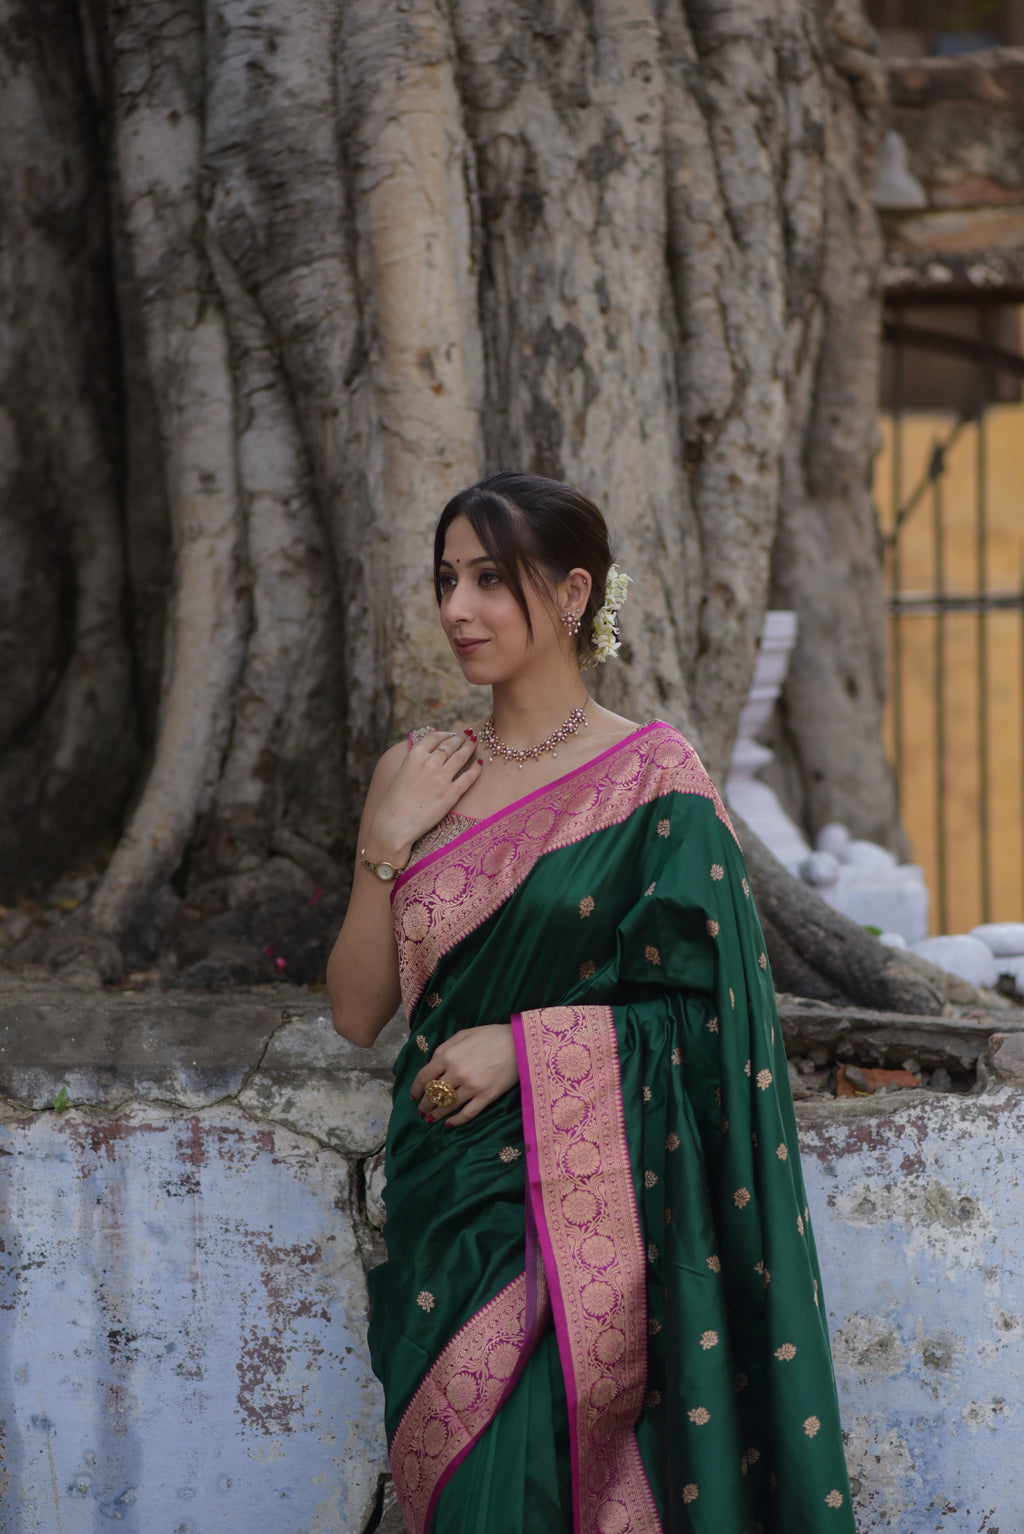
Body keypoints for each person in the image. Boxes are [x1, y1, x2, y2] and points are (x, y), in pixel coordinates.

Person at [327, 471, 855, 1534]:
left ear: (571, 595)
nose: (456, 609)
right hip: (450, 1205)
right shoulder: (420, 772)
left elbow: (716, 1018)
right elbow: (354, 1011)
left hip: (599, 1206)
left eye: (488, 579)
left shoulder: (653, 779)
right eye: (445, 580)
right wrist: (381, 846)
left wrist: (528, 1049)